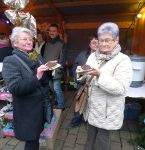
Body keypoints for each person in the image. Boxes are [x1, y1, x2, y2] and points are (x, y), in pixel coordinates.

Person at [76, 22, 133, 150]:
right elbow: (87, 77)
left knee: (102, 139)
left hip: (107, 110)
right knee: (90, 135)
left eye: (108, 40)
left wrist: (100, 75)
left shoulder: (123, 60)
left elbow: (121, 88)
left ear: (116, 40)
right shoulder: (92, 56)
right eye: (101, 40)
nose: (103, 44)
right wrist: (81, 73)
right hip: (91, 107)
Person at [2, 27, 52, 150]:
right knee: (31, 141)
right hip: (27, 111)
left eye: (30, 39)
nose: (29, 42)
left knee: (35, 137)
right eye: (24, 39)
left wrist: (49, 68)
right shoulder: (10, 61)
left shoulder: (37, 57)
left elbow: (45, 81)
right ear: (15, 43)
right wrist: (37, 76)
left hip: (40, 106)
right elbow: (15, 88)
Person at [68, 35, 99, 130]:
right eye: (94, 42)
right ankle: (76, 121)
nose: (96, 45)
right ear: (89, 44)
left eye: (98, 42)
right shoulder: (82, 55)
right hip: (82, 85)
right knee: (80, 103)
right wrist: (79, 72)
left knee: (93, 106)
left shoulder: (103, 57)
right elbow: (74, 68)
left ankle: (90, 123)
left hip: (96, 86)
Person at [43, 24, 67, 111]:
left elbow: (63, 57)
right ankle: (57, 100)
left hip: (56, 69)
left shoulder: (61, 43)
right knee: (52, 87)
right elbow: (45, 56)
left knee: (56, 87)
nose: (51, 33)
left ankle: (61, 105)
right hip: (48, 70)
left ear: (57, 32)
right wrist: (44, 66)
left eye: (54, 31)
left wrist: (60, 67)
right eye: (50, 31)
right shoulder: (47, 43)